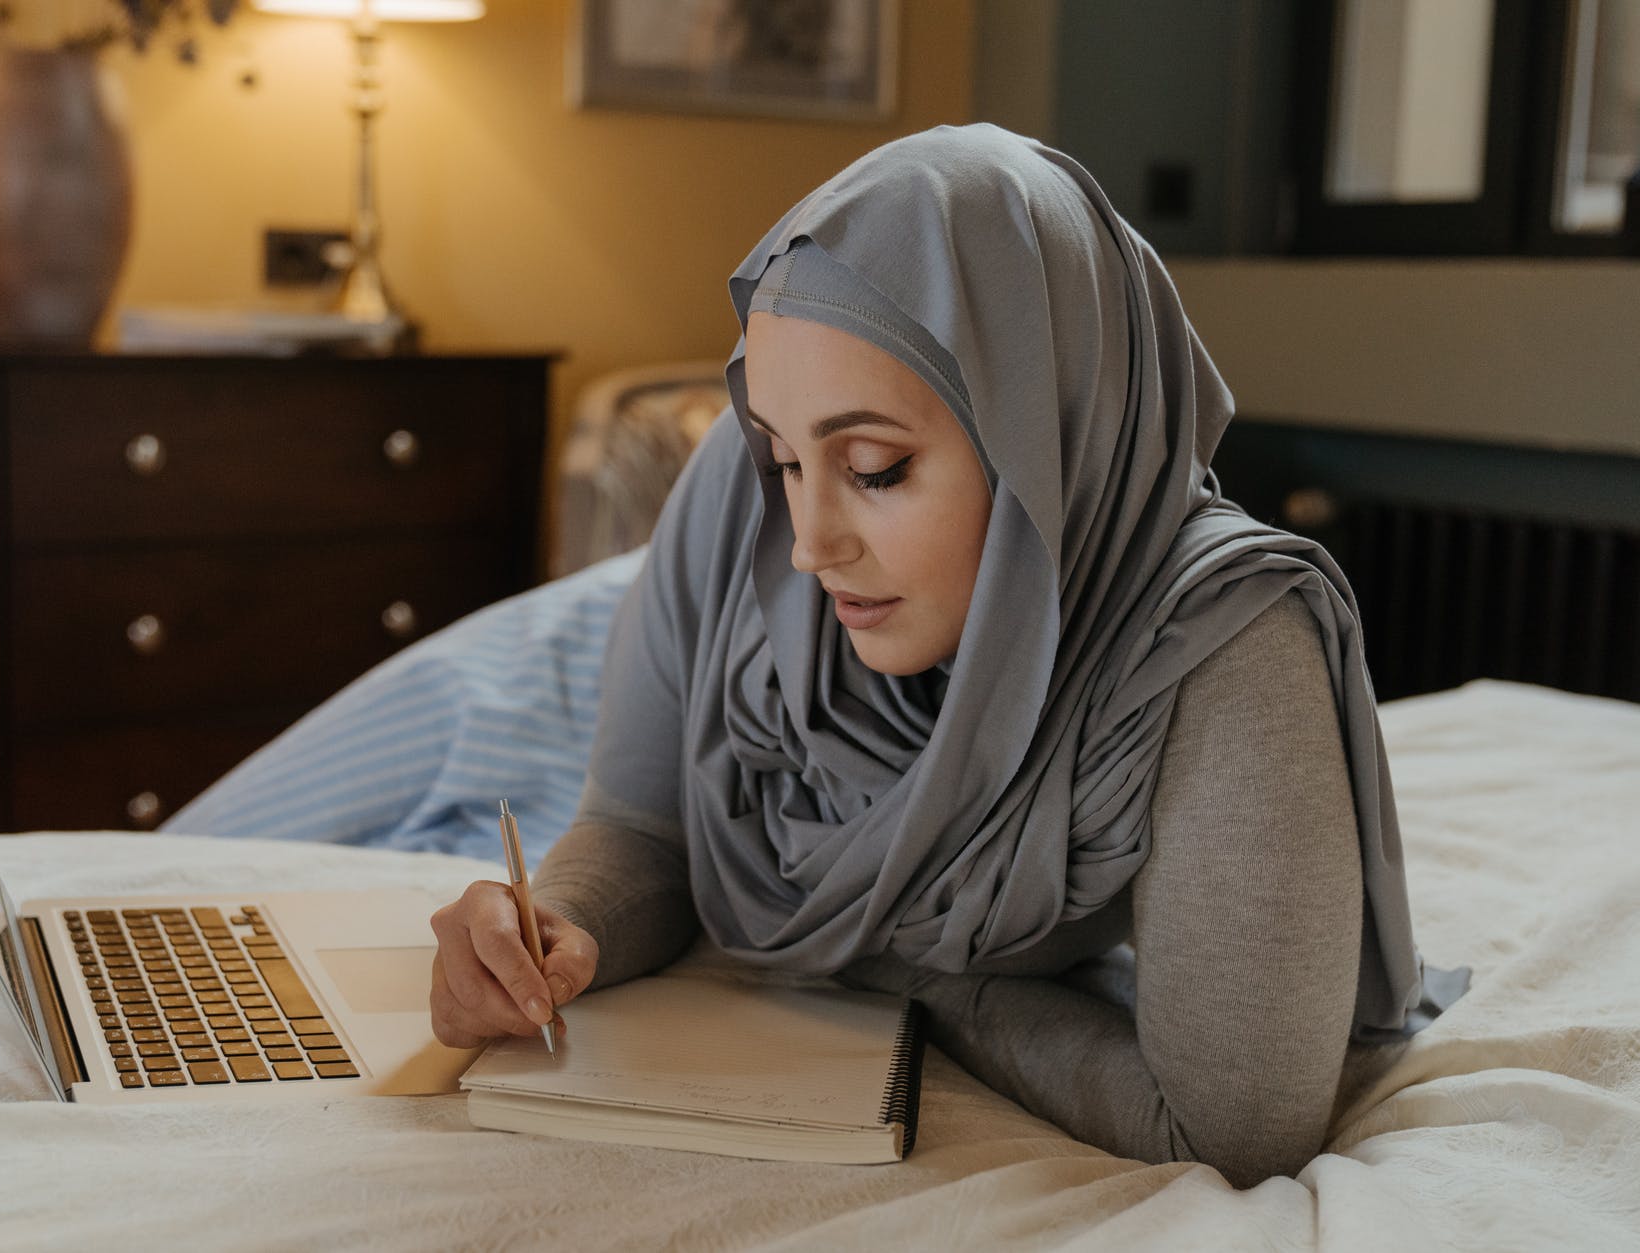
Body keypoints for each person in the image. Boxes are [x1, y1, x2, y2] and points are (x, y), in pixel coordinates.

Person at [427, 124, 1464, 1188]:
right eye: (785, 458)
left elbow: (1233, 1127)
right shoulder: (734, 510)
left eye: (875, 466)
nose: (806, 543)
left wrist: (911, 978)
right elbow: (645, 827)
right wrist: (558, 924)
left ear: (1050, 438)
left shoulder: (1225, 644)